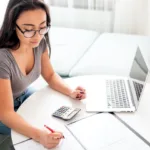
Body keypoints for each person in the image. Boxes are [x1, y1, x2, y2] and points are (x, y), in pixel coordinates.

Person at [0, 0, 86, 149]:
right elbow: (6, 113)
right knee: (37, 132)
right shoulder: (3, 59)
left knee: (54, 112)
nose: (37, 36)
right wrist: (39, 136)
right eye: (28, 29)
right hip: (3, 110)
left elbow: (50, 75)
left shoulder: (39, 43)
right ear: (13, 25)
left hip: (22, 95)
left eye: (42, 27)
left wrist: (71, 92)